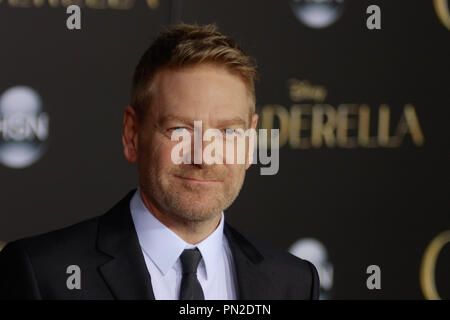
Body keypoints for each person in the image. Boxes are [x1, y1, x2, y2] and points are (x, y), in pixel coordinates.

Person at [0, 23, 319, 300]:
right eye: (179, 129)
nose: (203, 156)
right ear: (131, 134)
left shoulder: (293, 284)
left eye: (227, 132)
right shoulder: (44, 276)